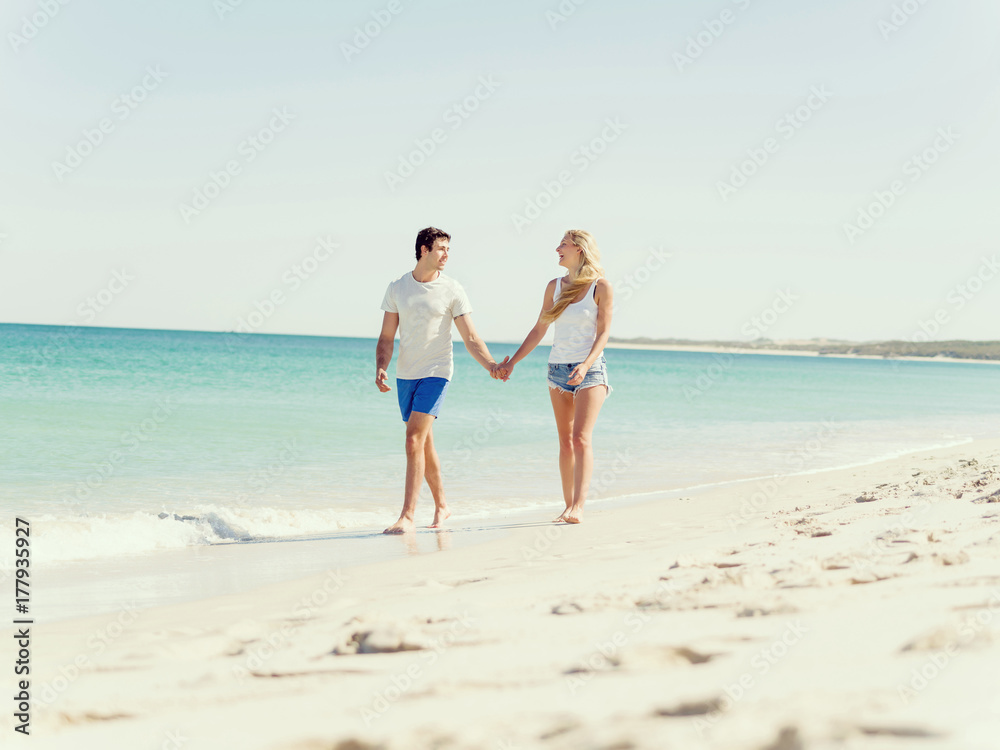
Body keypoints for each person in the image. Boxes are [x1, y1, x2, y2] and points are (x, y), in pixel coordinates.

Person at [376, 227, 506, 534]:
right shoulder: (397, 287)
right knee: (424, 442)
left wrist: (490, 364)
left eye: (448, 249)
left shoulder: (452, 289)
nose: (446, 254)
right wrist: (381, 366)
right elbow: (385, 337)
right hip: (406, 374)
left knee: (413, 440)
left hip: (437, 371)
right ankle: (443, 504)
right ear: (424, 249)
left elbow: (470, 336)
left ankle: (407, 516)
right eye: (441, 249)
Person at [493, 230, 612, 524]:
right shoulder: (554, 286)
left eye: (563, 244)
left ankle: (579, 507)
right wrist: (513, 363)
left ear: (579, 249)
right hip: (557, 369)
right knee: (565, 442)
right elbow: (539, 330)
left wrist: (585, 365)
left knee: (581, 438)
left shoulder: (601, 286)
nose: (557, 248)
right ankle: (567, 505)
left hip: (590, 370)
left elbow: (603, 334)